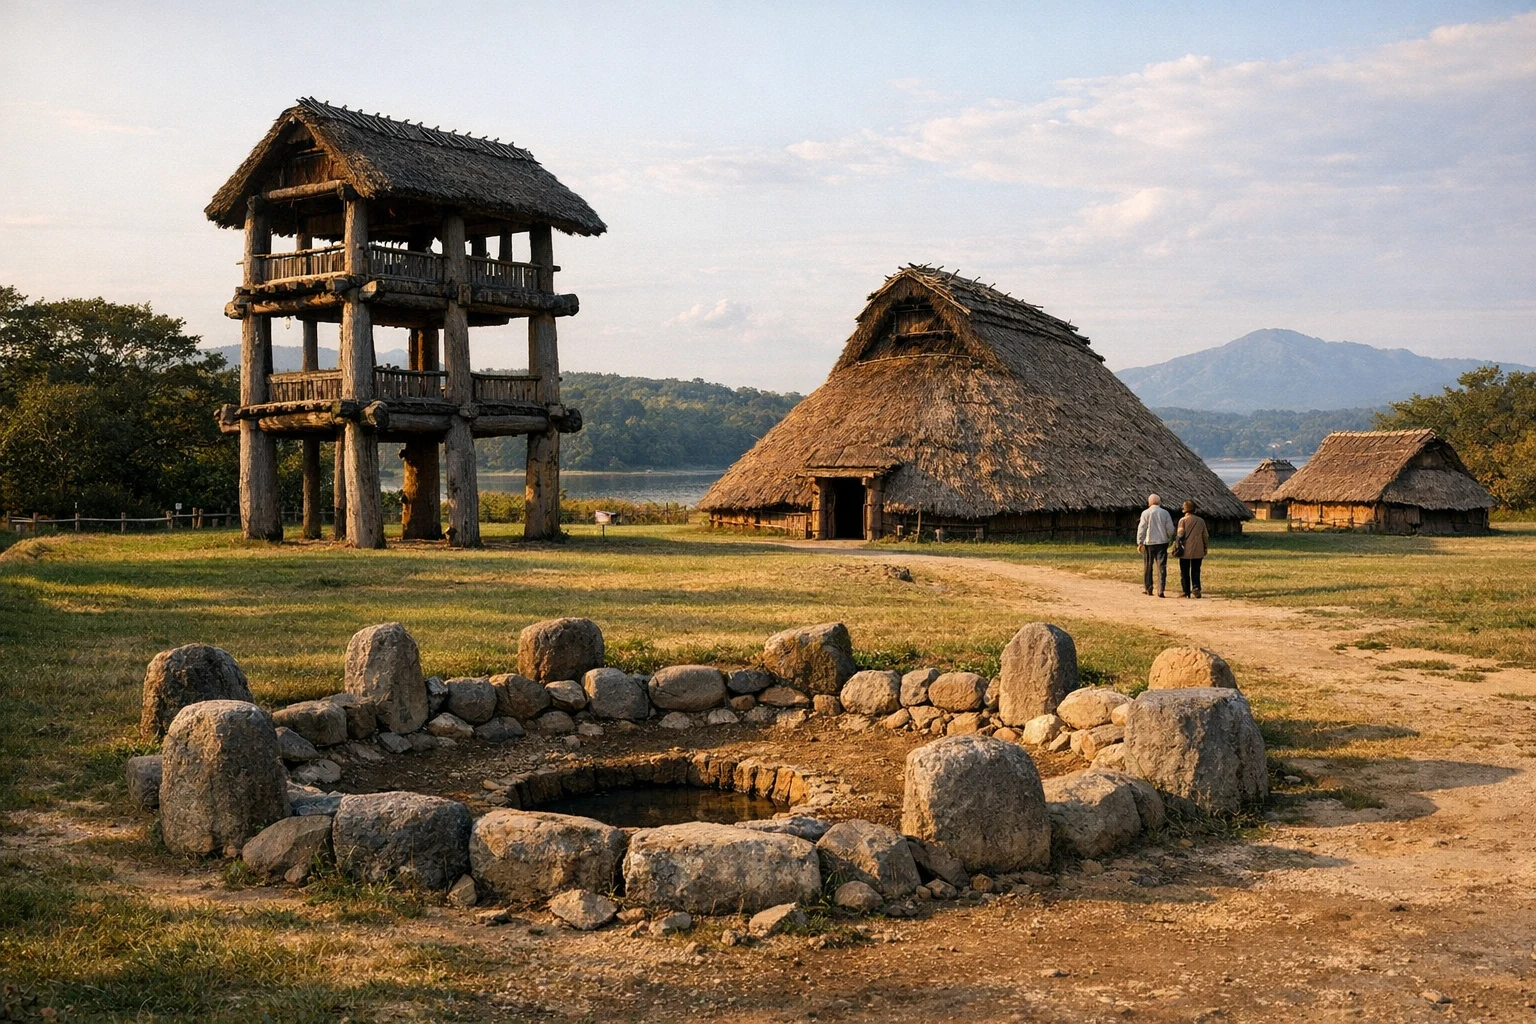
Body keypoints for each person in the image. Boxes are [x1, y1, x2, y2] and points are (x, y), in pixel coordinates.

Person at [1136, 493, 1175, 597]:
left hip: (1149, 543)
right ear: (1159, 502)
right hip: (1162, 542)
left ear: (1149, 502)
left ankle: (1148, 588)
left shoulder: (1145, 513)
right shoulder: (1165, 513)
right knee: (1162, 566)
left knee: (1148, 566)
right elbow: (1170, 529)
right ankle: (1161, 589)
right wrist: (1169, 537)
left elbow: (1142, 528)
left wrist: (1139, 542)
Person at [1176, 500, 1209, 598]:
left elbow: (1180, 534)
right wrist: (1205, 546)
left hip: (1185, 549)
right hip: (1198, 549)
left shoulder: (1182, 521)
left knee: (1184, 571)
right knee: (1196, 570)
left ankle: (1186, 591)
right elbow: (1205, 536)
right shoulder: (1201, 521)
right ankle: (1196, 587)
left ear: (1184, 510)